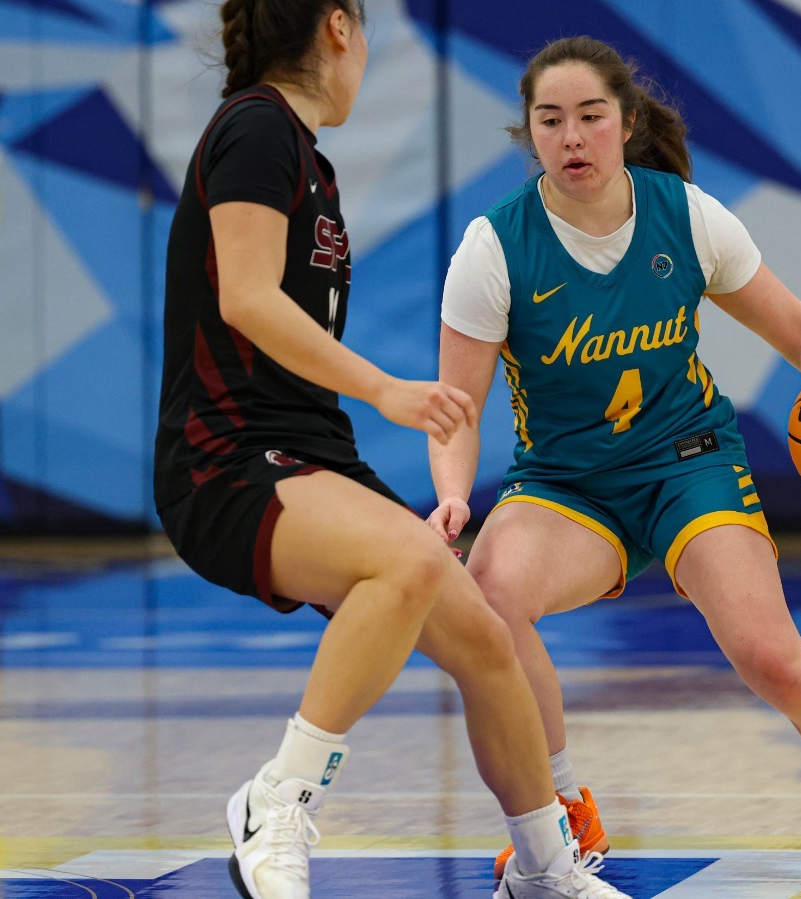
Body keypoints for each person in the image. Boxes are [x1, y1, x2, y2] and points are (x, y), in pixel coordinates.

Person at [426, 35, 801, 887]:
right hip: (568, 486)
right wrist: (452, 497)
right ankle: (565, 808)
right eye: (551, 121)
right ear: (530, 134)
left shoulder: (686, 216)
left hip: (689, 462)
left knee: (771, 655)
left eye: (590, 116)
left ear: (625, 122)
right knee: (493, 596)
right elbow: (455, 410)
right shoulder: (494, 248)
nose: (571, 137)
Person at [154, 4, 631, 898]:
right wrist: (384, 388)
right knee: (410, 563)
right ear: (340, 27)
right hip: (224, 459)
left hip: (306, 455)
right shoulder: (258, 128)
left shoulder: (304, 157)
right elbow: (248, 299)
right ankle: (278, 799)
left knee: (486, 643)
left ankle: (544, 870)